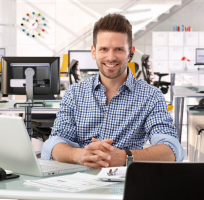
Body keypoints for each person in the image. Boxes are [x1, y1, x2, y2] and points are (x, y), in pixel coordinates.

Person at [41, 14, 185, 169]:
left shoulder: (151, 96)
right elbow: (53, 144)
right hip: (77, 183)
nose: (111, 57)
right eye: (104, 49)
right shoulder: (74, 93)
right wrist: (80, 155)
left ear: (130, 53)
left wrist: (126, 156)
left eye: (119, 49)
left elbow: (172, 150)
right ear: (94, 52)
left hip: (126, 184)